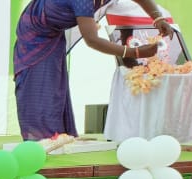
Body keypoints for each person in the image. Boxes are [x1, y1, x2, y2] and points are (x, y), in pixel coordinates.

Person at [14, 0, 172, 140]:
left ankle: (57, 135)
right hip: (35, 32)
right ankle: (39, 139)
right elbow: (92, 40)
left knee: (55, 85)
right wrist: (135, 52)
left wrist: (158, 18)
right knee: (37, 84)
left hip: (54, 32)